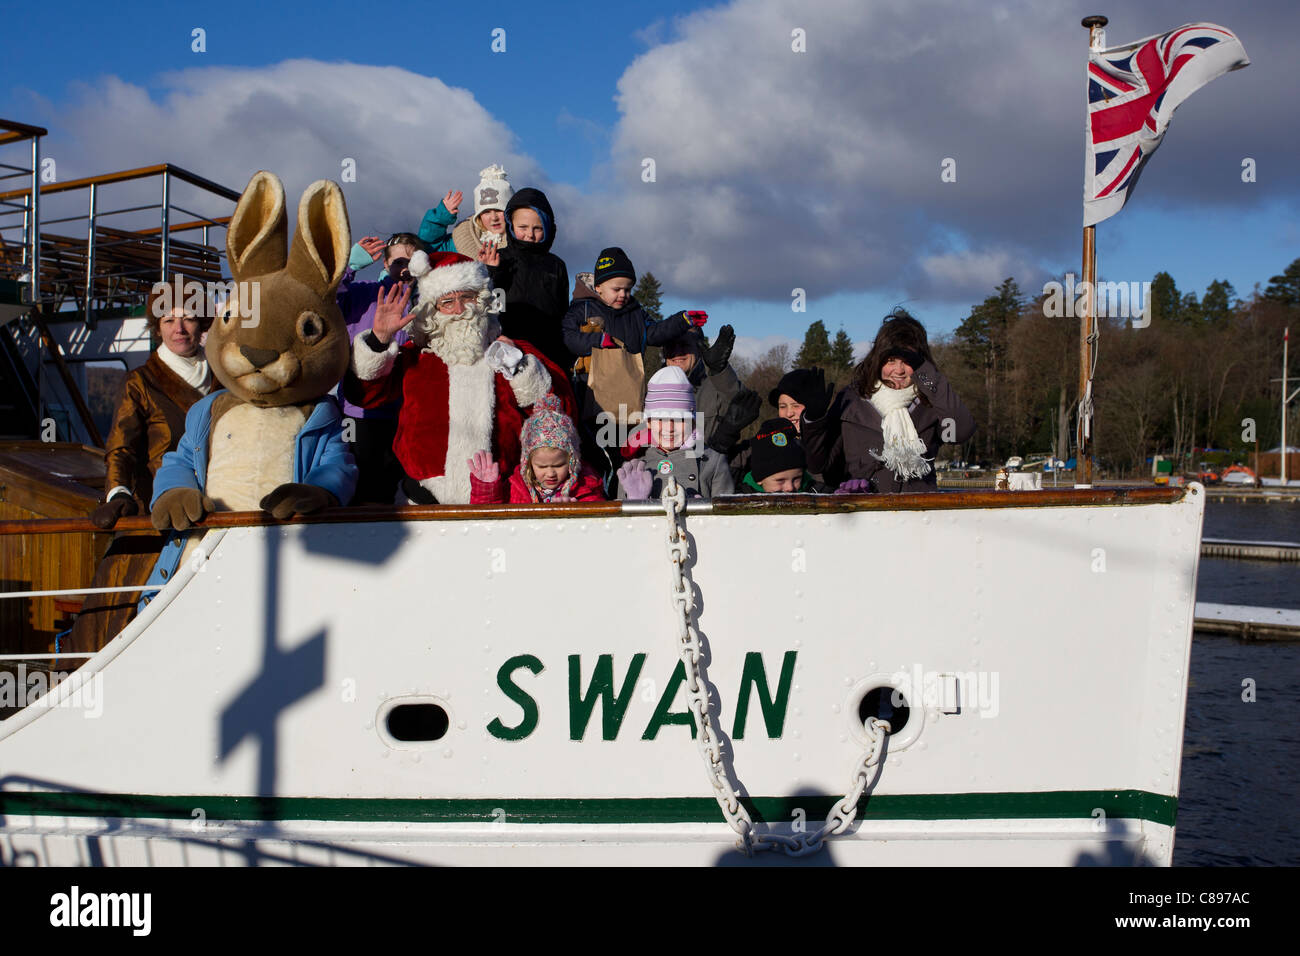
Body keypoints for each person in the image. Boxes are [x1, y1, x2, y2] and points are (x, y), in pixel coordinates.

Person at [346, 250, 577, 504]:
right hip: (424, 496)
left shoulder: (512, 349)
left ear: (482, 300)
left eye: (467, 297)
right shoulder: (415, 356)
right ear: (433, 309)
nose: (459, 309)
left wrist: (518, 367)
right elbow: (362, 395)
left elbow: (558, 411)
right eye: (447, 302)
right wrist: (379, 340)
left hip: (501, 494)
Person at [803, 308, 974, 493]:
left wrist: (928, 375)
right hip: (863, 509)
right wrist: (814, 421)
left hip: (919, 511)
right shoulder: (851, 398)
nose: (898, 370)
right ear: (877, 359)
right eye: (890, 360)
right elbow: (818, 465)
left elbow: (960, 432)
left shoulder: (932, 401)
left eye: (907, 361)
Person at [92, 290, 214, 527]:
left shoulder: (222, 378)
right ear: (157, 329)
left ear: (202, 325)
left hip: (218, 506)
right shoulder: (140, 383)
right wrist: (118, 492)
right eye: (168, 320)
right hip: (162, 511)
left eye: (188, 318)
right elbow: (121, 448)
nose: (179, 328)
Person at [335, 232, 423, 503]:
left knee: (395, 491)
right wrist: (346, 265)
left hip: (404, 413)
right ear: (385, 264)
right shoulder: (361, 293)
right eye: (398, 262)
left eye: (412, 261)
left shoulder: (425, 304)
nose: (405, 268)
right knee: (358, 487)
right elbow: (321, 296)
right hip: (359, 411)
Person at [616, 366, 733, 500]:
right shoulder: (634, 466)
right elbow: (621, 520)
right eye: (660, 419)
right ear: (648, 423)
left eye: (679, 419)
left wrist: (701, 513)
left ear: (692, 422)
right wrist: (635, 502)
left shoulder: (713, 461)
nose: (669, 428)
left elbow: (726, 515)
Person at [467, 394, 604, 503]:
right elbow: (490, 524)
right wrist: (486, 493)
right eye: (542, 466)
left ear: (572, 461)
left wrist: (575, 513)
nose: (550, 473)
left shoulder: (586, 486)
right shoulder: (515, 487)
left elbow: (599, 520)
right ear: (528, 463)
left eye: (558, 465)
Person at [491, 186, 571, 372]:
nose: (530, 234)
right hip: (509, 347)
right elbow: (490, 300)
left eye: (538, 228)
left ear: (548, 228)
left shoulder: (556, 265)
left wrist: (565, 355)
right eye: (523, 227)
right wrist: (491, 270)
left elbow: (563, 312)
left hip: (548, 350)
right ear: (511, 225)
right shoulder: (500, 258)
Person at [660, 327, 762, 459]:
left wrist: (720, 370)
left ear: (699, 349)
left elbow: (744, 404)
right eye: (671, 346)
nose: (678, 352)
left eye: (685, 345)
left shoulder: (717, 384)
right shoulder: (649, 390)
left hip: (707, 472)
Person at [448, 164, 513, 259]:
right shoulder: (460, 239)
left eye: (499, 210)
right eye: (486, 212)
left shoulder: (526, 237)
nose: (494, 218)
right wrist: (440, 217)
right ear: (479, 216)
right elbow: (429, 244)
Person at [739, 418, 819, 493]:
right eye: (780, 480)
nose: (790, 488)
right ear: (759, 480)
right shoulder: (739, 501)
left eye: (796, 479)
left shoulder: (816, 493)